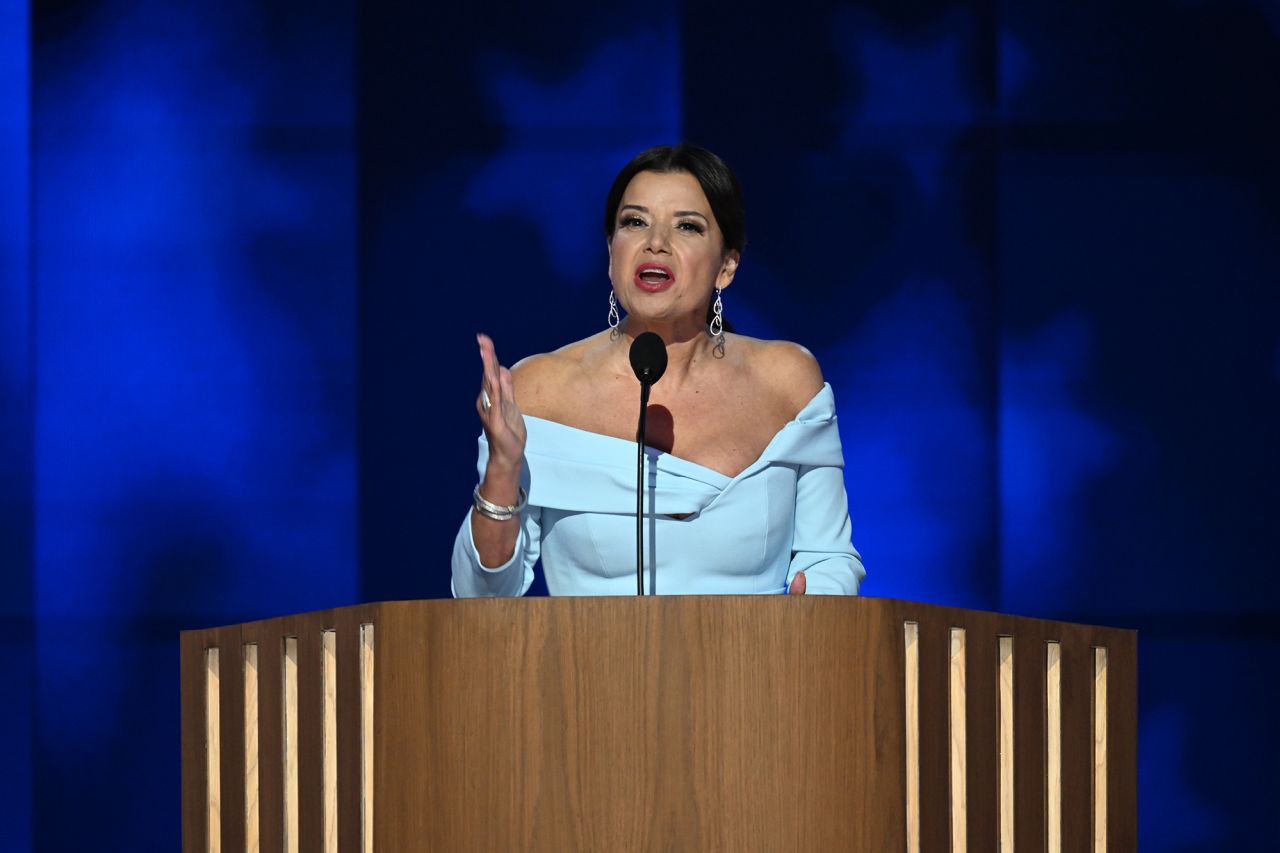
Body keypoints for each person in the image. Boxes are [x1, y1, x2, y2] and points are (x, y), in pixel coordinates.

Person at [451, 144, 865, 596]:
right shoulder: (540, 390)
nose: (656, 242)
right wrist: (504, 469)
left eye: (687, 226)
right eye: (635, 222)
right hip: (587, 665)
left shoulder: (786, 380)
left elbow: (829, 558)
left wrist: (814, 613)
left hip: (756, 663)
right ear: (612, 253)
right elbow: (480, 598)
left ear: (726, 265)